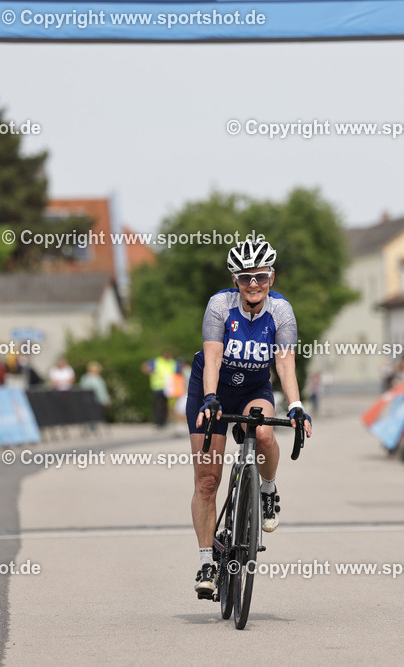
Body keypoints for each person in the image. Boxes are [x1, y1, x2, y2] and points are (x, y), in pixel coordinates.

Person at [188, 238, 313, 598]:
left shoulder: (282, 311)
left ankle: (268, 490)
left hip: (253, 388)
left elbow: (285, 362)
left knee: (262, 435)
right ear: (235, 280)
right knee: (207, 482)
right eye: (245, 278)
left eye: (260, 276)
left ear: (271, 277)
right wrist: (210, 399)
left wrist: (296, 405)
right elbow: (212, 357)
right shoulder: (219, 306)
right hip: (210, 387)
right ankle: (207, 559)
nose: (253, 284)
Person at [142, 349, 177, 428]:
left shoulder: (172, 362)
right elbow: (144, 366)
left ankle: (165, 422)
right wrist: (149, 371)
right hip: (158, 387)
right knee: (159, 405)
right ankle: (158, 422)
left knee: (167, 406)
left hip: (169, 387)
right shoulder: (157, 361)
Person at [79, 361, 111, 430]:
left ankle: (91, 424)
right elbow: (101, 392)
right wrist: (106, 400)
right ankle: (92, 425)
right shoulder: (97, 379)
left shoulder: (85, 378)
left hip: (89, 401)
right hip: (95, 401)